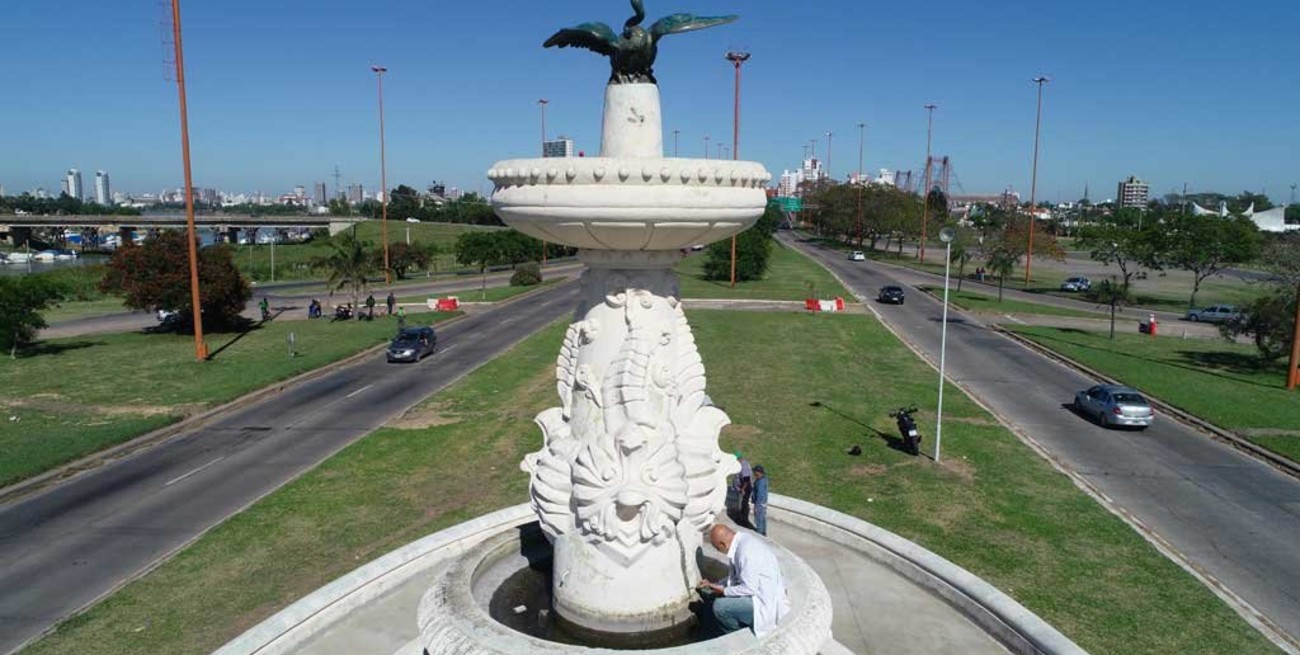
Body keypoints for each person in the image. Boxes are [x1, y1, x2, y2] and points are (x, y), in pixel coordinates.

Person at [697, 524, 790, 637]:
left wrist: (724, 591)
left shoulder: (745, 553)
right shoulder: (742, 541)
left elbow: (749, 588)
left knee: (720, 607)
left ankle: (735, 635)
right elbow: (738, 576)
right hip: (761, 591)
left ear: (722, 544)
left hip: (764, 602)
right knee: (713, 596)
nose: (718, 551)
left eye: (717, 548)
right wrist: (715, 584)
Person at [751, 465, 769, 536]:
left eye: (755, 472)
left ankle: (760, 535)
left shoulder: (760, 482)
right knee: (763, 519)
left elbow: (760, 494)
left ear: (758, 472)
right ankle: (763, 533)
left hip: (760, 504)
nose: (754, 473)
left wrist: (756, 506)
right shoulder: (763, 479)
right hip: (763, 503)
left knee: (759, 520)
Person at [735, 453, 753, 520]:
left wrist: (742, 489)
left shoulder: (744, 466)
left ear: (739, 459)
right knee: (742, 503)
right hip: (743, 487)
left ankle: (743, 518)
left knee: (744, 503)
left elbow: (746, 480)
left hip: (746, 487)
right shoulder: (741, 464)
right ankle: (741, 516)